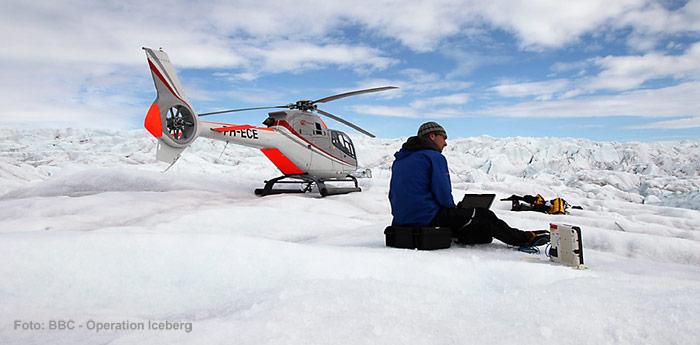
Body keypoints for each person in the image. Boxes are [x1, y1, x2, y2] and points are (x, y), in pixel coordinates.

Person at [388, 121, 549, 247]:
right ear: (432, 136)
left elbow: (393, 195)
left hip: (401, 220)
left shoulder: (400, 160)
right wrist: (452, 210)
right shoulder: (433, 156)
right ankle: (523, 239)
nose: (445, 143)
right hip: (427, 217)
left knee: (478, 230)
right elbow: (442, 192)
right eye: (443, 138)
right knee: (483, 215)